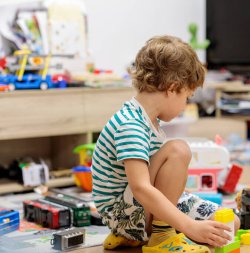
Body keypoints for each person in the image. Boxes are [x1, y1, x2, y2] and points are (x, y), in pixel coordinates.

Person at [92, 35, 240, 253]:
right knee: (178, 149)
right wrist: (189, 226)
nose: (184, 105)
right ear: (172, 88)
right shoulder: (130, 125)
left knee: (229, 224)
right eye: (186, 97)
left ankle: (151, 233)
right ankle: (162, 237)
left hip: (138, 211)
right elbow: (140, 187)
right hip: (124, 217)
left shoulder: (149, 120)